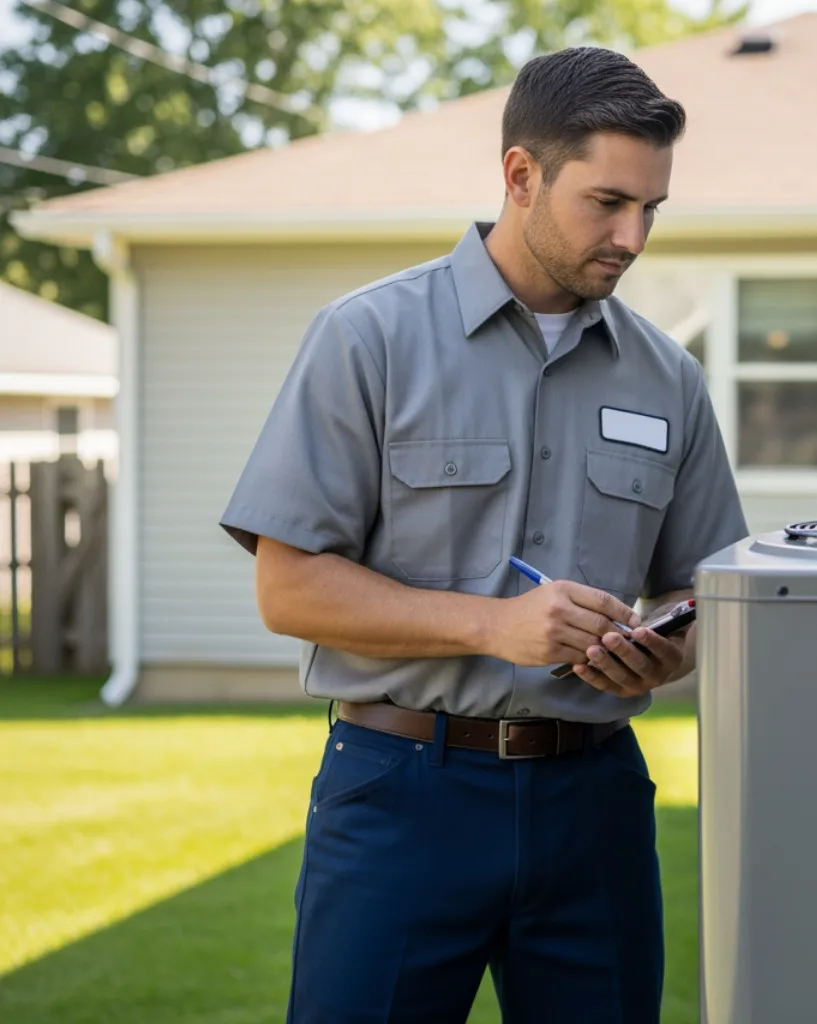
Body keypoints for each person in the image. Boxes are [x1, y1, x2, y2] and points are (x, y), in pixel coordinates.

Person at [218, 45, 749, 1024]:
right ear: (520, 175)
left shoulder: (669, 378)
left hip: (595, 803)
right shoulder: (367, 339)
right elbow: (288, 589)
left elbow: (710, 597)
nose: (632, 236)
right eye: (606, 202)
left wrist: (660, 656)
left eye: (651, 209)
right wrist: (494, 627)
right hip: (400, 794)